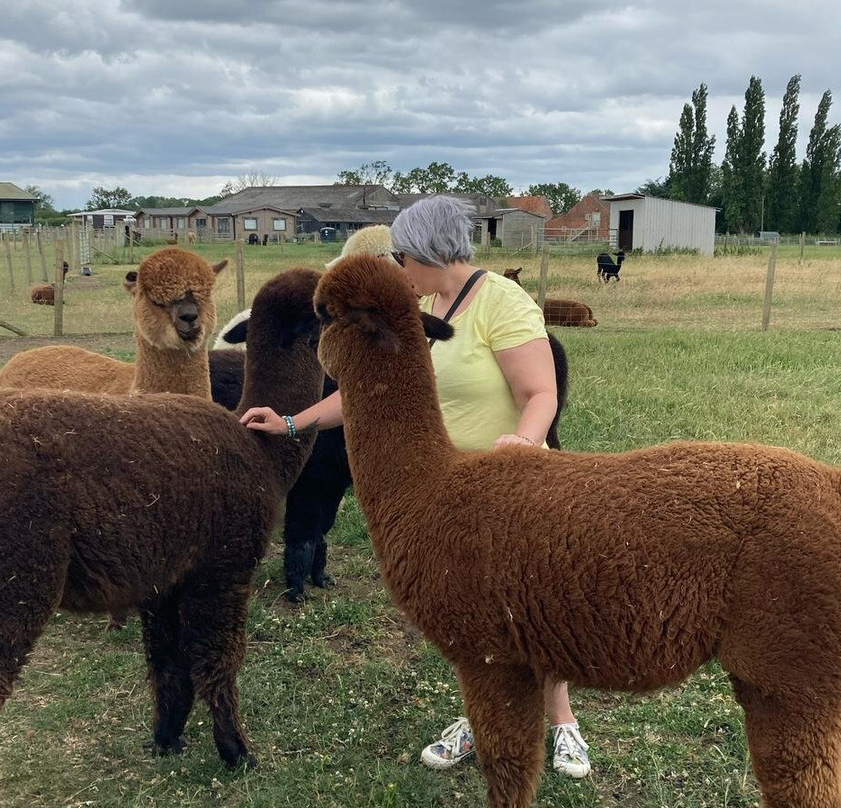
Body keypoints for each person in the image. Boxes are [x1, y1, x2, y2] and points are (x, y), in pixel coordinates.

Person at [238, 195, 591, 779]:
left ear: (430, 252)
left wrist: (525, 445)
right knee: (473, 618)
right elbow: (366, 387)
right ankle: (483, 716)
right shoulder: (417, 306)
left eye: (402, 256)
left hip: (511, 488)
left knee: (527, 609)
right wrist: (293, 422)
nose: (399, 268)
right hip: (446, 494)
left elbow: (540, 393)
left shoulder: (503, 303)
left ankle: (562, 722)